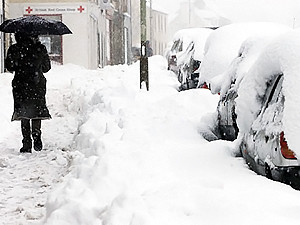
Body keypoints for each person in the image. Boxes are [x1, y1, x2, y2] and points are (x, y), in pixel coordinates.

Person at [5, 32, 51, 153]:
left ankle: (26, 143)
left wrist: (18, 62)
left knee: (23, 111)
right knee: (37, 110)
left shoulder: (14, 49)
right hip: (37, 83)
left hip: (20, 84)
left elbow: (9, 67)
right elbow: (47, 68)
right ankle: (36, 135)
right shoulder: (40, 48)